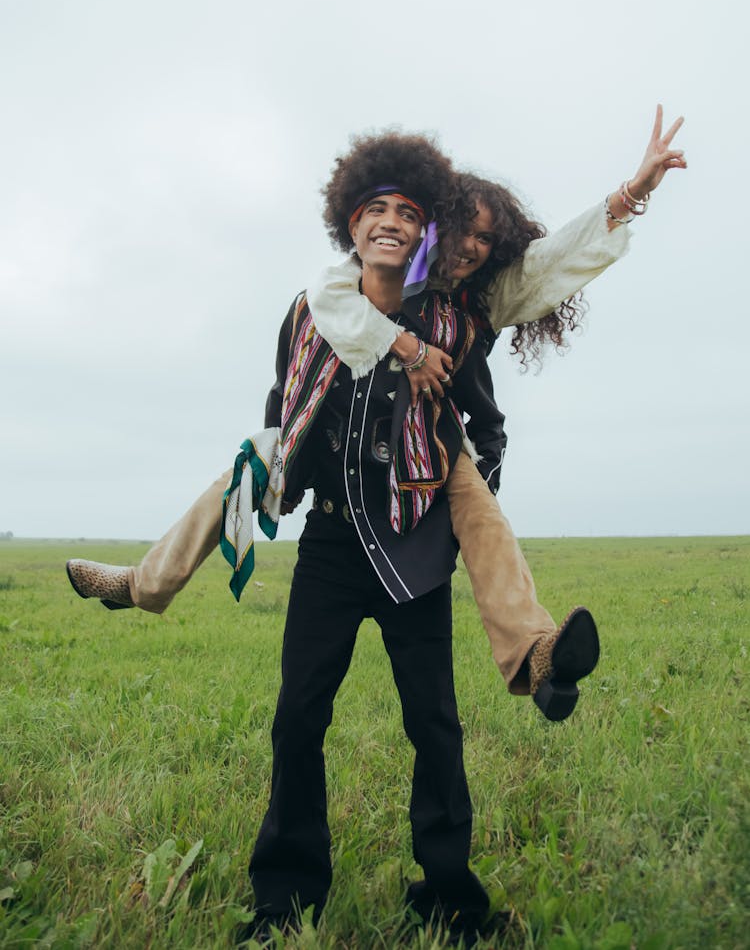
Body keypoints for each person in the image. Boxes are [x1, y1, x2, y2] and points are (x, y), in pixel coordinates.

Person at [65, 106, 686, 722]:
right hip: (327, 478)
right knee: (240, 474)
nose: (472, 245)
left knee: (480, 513)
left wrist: (628, 195)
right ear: (432, 230)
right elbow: (312, 331)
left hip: (429, 469)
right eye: (462, 228)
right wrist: (386, 361)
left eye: (486, 238)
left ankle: (538, 650)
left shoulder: (469, 308)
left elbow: (544, 266)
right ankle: (141, 585)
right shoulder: (340, 287)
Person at [242, 130, 504, 944]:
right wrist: (274, 464)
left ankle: (451, 897)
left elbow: (487, 424)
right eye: (375, 209)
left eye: (408, 212)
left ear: (424, 233)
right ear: (351, 225)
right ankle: (285, 898)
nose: (390, 221)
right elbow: (283, 398)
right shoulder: (309, 309)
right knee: (298, 716)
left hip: (414, 546)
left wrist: (468, 501)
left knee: (434, 718)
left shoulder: (448, 321)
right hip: (328, 545)